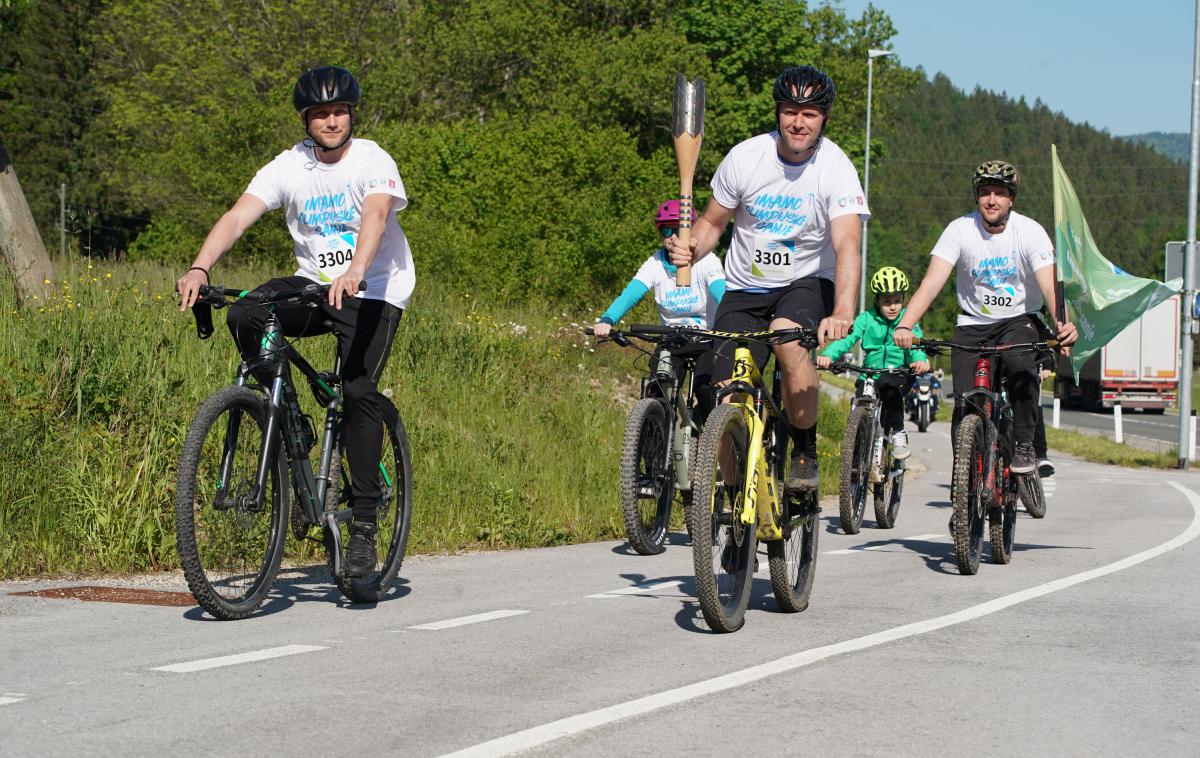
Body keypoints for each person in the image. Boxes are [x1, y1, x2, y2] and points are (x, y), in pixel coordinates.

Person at [176, 65, 414, 577]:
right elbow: (239, 215)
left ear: (352, 114)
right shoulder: (289, 166)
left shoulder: (372, 160)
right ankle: (292, 422)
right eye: (320, 114)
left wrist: (355, 270)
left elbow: (374, 217)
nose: (331, 121)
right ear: (306, 121)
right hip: (315, 284)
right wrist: (200, 265)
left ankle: (365, 528)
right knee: (244, 310)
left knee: (357, 393)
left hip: (374, 289)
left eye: (339, 111)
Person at [662, 64, 866, 493]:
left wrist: (844, 311)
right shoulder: (746, 157)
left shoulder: (836, 168)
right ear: (778, 112)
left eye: (809, 114)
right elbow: (712, 223)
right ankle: (738, 502)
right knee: (725, 392)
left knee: (787, 339)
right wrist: (692, 248)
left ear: (823, 119)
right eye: (791, 111)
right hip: (746, 288)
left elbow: (848, 244)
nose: (798, 121)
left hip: (807, 283)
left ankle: (805, 452)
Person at [893, 159, 1077, 474]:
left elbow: (1049, 284)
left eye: (1000, 193)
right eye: (985, 192)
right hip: (972, 324)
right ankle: (963, 476)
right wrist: (906, 324)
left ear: (1011, 199)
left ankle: (1024, 446)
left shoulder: (1029, 232)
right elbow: (932, 282)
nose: (991, 200)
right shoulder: (960, 229)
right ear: (976, 196)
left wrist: (1062, 323)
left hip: (1018, 320)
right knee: (965, 402)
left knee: (1021, 367)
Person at [593, 200, 725, 423]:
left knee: (706, 388)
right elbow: (630, 294)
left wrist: (736, 321)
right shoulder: (655, 263)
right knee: (657, 387)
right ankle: (655, 446)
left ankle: (712, 438)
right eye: (666, 230)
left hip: (706, 338)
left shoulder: (706, 260)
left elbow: (721, 293)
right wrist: (607, 319)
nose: (672, 237)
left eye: (678, 230)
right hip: (672, 339)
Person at [816, 266, 930, 459]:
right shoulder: (866, 319)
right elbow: (847, 339)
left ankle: (899, 433)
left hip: (896, 374)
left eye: (897, 301)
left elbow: (914, 344)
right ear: (877, 300)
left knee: (891, 391)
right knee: (861, 400)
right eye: (887, 302)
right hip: (869, 373)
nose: (893, 307)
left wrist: (920, 361)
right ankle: (858, 448)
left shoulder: (908, 320)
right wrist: (829, 354)